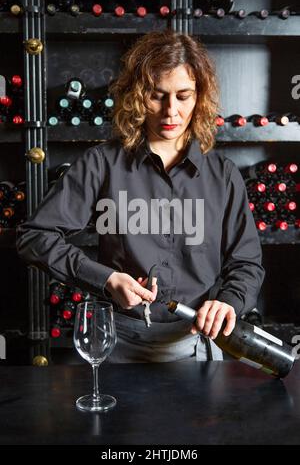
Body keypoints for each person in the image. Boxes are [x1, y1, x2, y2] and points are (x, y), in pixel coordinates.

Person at [16, 30, 265, 363]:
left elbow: (246, 263)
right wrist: (104, 279)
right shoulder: (101, 164)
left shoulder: (223, 175)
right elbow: (34, 237)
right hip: (117, 342)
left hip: (196, 344)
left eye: (183, 96)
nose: (170, 111)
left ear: (199, 97)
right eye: (157, 95)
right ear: (137, 95)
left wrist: (229, 301)